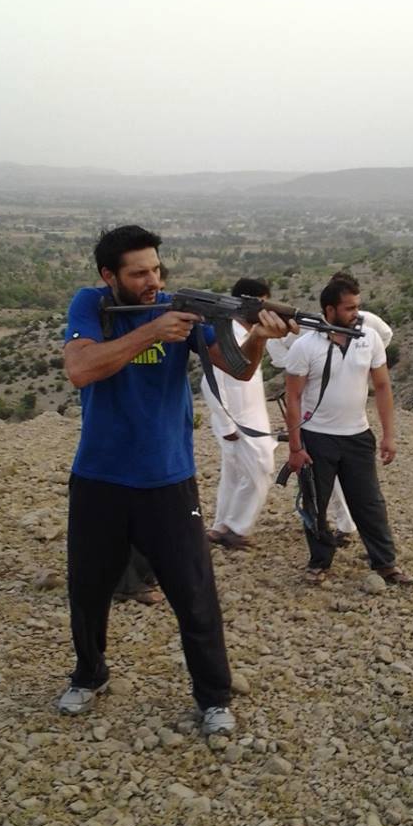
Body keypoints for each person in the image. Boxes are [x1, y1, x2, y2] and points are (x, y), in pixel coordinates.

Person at [60, 225, 291, 733]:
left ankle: (214, 698)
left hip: (167, 479)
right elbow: (80, 369)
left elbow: (237, 370)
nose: (153, 282)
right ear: (108, 275)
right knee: (88, 590)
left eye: (156, 270)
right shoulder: (90, 304)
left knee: (194, 594)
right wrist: (151, 331)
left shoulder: (177, 309)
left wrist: (257, 336)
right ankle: (89, 674)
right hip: (99, 475)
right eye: (139, 273)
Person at [284, 272, 413, 585]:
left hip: (357, 436)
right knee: (315, 504)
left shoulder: (369, 338)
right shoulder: (305, 346)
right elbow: (293, 397)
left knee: (369, 503)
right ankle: (319, 562)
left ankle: (385, 563)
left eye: (357, 306)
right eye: (349, 308)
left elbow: (382, 387)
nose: (357, 313)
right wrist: (295, 447)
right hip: (317, 437)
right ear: (329, 310)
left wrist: (389, 436)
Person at [267, 303, 393, 547]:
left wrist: (358, 365)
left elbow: (383, 341)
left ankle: (354, 533)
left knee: (359, 493)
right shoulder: (304, 332)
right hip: (316, 416)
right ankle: (333, 537)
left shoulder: (368, 325)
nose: (353, 312)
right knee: (321, 489)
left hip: (347, 423)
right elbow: (287, 365)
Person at [200, 278, 277, 550]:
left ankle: (222, 526)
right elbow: (209, 381)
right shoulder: (227, 334)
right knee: (261, 470)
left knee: (234, 475)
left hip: (251, 418)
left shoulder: (250, 334)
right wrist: (225, 425)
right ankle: (237, 528)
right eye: (263, 303)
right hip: (237, 421)